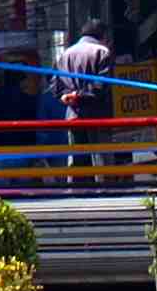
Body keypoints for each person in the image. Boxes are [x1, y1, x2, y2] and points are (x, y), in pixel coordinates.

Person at [50, 22, 116, 178]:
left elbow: (54, 85)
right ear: (103, 35)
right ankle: (104, 190)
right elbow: (101, 85)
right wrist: (79, 95)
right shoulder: (102, 52)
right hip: (98, 115)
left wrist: (65, 95)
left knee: (77, 159)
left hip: (73, 115)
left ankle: (76, 189)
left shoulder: (65, 54)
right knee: (101, 160)